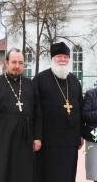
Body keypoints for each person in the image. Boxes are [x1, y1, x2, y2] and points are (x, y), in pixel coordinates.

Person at [0, 49, 42, 182]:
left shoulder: (30, 85)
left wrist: (37, 137)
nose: (17, 66)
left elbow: (37, 113)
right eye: (14, 62)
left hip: (25, 139)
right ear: (6, 63)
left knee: (23, 173)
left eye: (20, 63)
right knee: (1, 172)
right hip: (2, 139)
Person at [33, 42, 83, 182]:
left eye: (66, 57)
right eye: (59, 56)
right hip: (48, 142)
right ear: (53, 58)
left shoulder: (74, 81)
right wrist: (36, 136)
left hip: (70, 142)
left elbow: (80, 108)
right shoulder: (40, 79)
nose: (63, 60)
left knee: (67, 175)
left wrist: (80, 134)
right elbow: (34, 110)